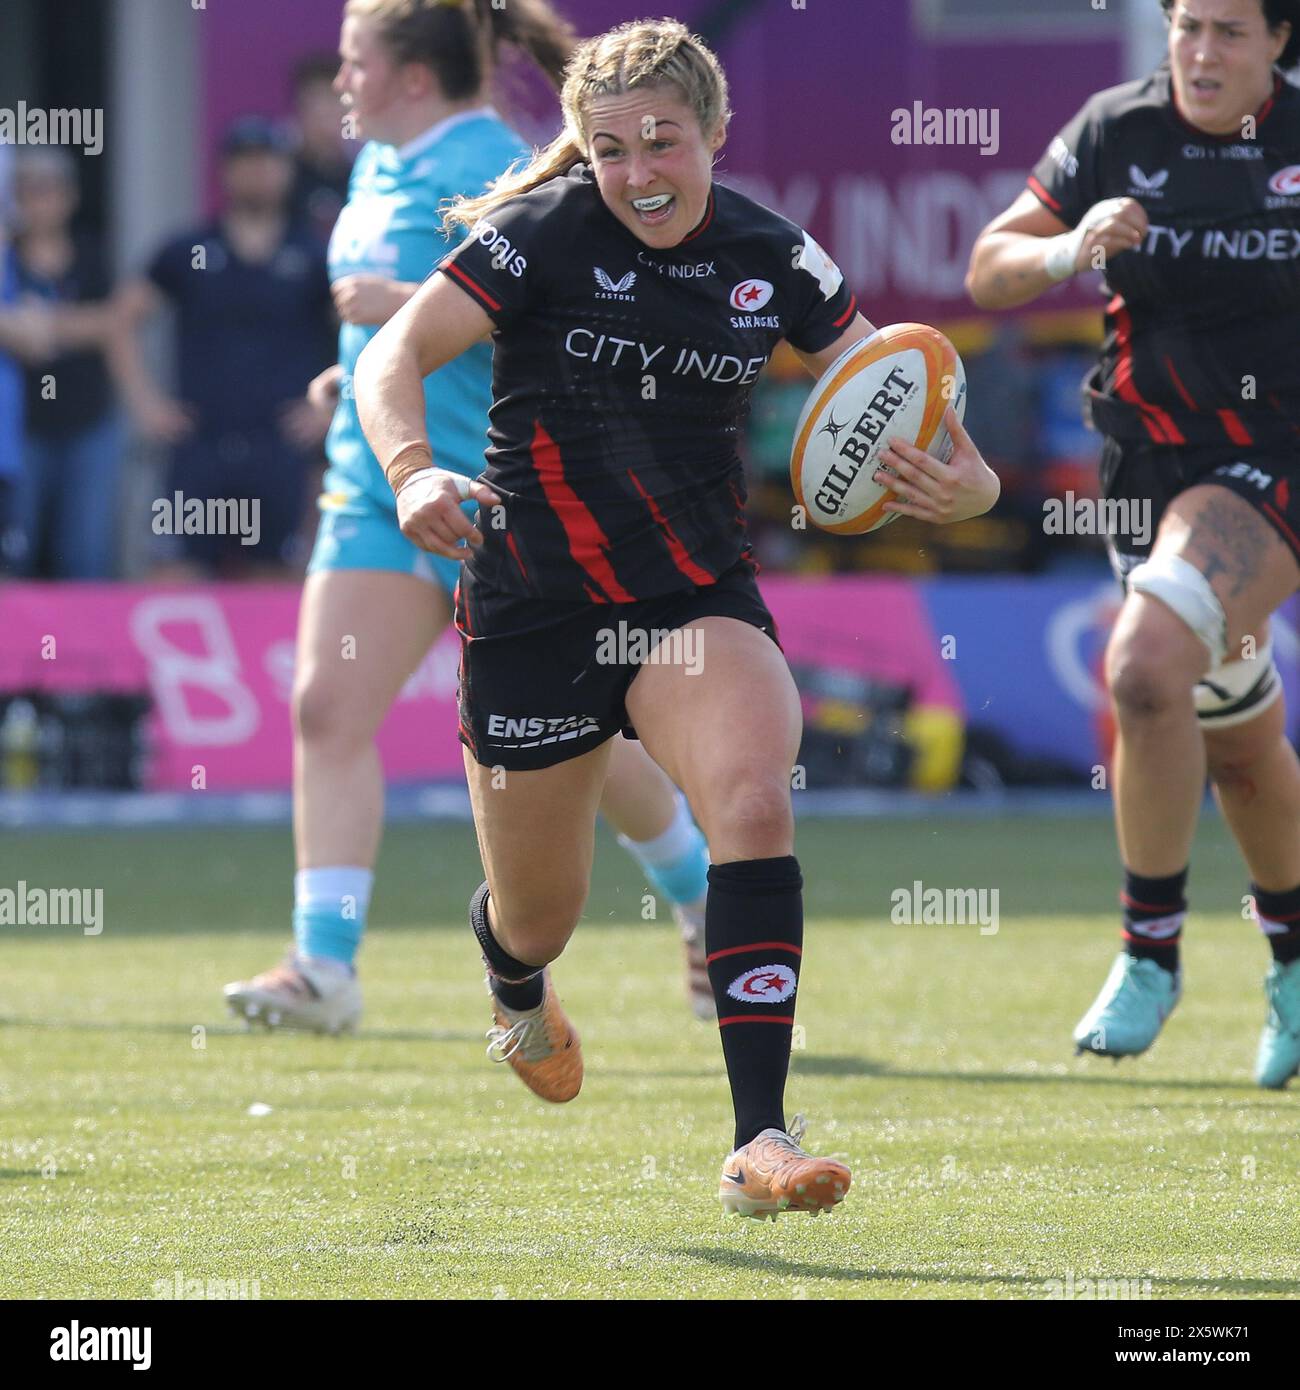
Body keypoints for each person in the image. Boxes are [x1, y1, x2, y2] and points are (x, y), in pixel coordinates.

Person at [355, 17, 999, 1217]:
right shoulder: (536, 234)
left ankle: (760, 1135)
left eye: (663, 141)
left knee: (752, 801)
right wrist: (409, 474)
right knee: (542, 914)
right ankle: (512, 982)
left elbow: (899, 393)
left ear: (712, 132)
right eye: (610, 148)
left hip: (689, 597)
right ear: (582, 152)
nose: (640, 170)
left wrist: (975, 482)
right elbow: (388, 355)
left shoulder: (774, 254)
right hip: (532, 606)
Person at [222, 0, 718, 1038]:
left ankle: (699, 892)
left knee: (575, 741)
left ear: (410, 76)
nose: (338, 82)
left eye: (356, 62)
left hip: (502, 493)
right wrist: (352, 374)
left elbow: (574, 310)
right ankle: (324, 964)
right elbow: (397, 337)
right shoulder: (376, 163)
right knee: (324, 708)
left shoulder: (505, 165)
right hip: (377, 483)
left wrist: (401, 306)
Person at [966, 0, 1300, 1087]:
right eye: (1187, 25)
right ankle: (1294, 964)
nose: (1202, 52)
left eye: (1231, 32)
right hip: (1139, 473)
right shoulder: (1116, 128)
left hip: (1271, 460)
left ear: (1280, 45)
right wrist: (1069, 244)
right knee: (1232, 731)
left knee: (1143, 666)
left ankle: (1146, 949)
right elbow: (988, 267)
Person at [114, 117, 336, 579]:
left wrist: (330, 406)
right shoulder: (189, 249)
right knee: (174, 576)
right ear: (225, 171)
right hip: (198, 445)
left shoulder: (314, 255)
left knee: (278, 580)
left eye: (268, 162)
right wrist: (144, 403)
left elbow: (363, 334)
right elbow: (121, 321)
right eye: (245, 162)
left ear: (287, 170)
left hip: (279, 446)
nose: (257, 173)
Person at [9, 150, 124, 579]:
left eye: (47, 189)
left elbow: (112, 321)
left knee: (86, 554)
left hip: (88, 424)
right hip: (18, 430)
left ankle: (81, 648)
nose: (37, 201)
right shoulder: (6, 258)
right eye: (26, 190)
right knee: (14, 549)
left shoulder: (92, 253)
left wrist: (40, 325)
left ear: (69, 196)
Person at [289, 53, 357, 245]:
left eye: (333, 100)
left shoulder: (369, 173)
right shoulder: (279, 177)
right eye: (315, 102)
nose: (324, 114)